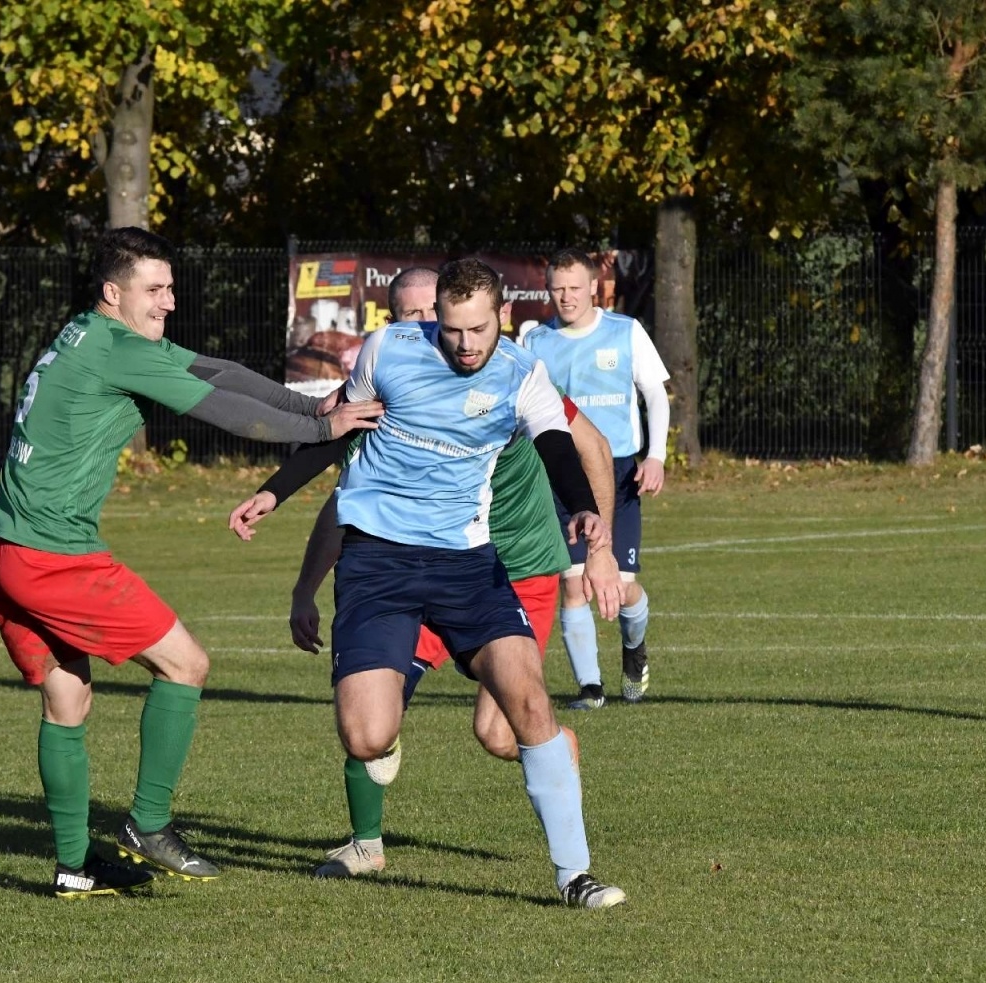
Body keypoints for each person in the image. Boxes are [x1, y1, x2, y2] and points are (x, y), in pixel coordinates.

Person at [0, 226, 382, 897]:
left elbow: (215, 371)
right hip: (51, 554)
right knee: (186, 664)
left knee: (67, 699)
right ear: (113, 292)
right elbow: (222, 410)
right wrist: (320, 429)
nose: (168, 301)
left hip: (0, 548)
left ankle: (76, 867)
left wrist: (309, 403)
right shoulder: (115, 349)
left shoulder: (92, 334)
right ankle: (148, 825)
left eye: (170, 288)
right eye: (154, 289)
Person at [228, 258, 628, 908]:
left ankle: (574, 874)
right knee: (367, 737)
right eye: (452, 330)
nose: (466, 345)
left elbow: (559, 444)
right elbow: (339, 430)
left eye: (477, 330)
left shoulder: (522, 375)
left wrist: (581, 506)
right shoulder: (386, 349)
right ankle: (367, 834)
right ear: (434, 318)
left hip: (467, 564)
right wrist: (273, 494)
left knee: (528, 706)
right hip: (377, 563)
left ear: (501, 316)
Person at [524, 247, 672, 710]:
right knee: (573, 581)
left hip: (620, 472)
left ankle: (634, 649)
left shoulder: (625, 332)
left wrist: (657, 455)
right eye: (557, 288)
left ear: (594, 288)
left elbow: (655, 394)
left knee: (622, 585)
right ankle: (590, 690)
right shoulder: (533, 340)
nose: (566, 297)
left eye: (574, 287)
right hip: (560, 473)